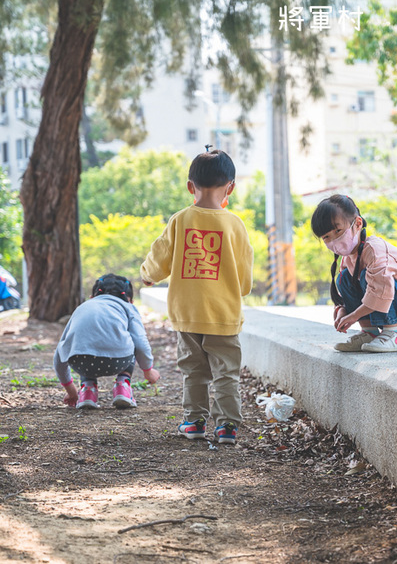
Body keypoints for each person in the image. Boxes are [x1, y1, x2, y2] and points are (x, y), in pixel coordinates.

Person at [140, 149, 253, 445]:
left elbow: (159, 257)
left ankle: (194, 422)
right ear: (230, 187)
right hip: (224, 314)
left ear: (191, 186)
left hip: (187, 313)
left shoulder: (179, 220)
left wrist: (148, 275)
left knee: (193, 370)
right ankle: (227, 426)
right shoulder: (235, 224)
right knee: (226, 372)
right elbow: (244, 273)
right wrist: (237, 290)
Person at [311, 194, 397, 353]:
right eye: (326, 237)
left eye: (338, 230)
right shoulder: (348, 258)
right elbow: (347, 291)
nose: (334, 239)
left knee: (371, 276)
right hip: (394, 306)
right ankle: (370, 332)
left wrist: (354, 316)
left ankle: (394, 334)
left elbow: (379, 289)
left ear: (357, 224)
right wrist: (343, 310)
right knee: (344, 278)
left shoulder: (374, 250)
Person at [53, 274, 161, 409]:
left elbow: (61, 350)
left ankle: (87, 391)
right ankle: (123, 387)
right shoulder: (128, 307)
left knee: (83, 346)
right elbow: (139, 341)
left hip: (81, 363)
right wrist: (148, 370)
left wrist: (71, 391)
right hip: (117, 362)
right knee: (129, 341)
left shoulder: (82, 307)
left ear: (92, 297)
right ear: (130, 300)